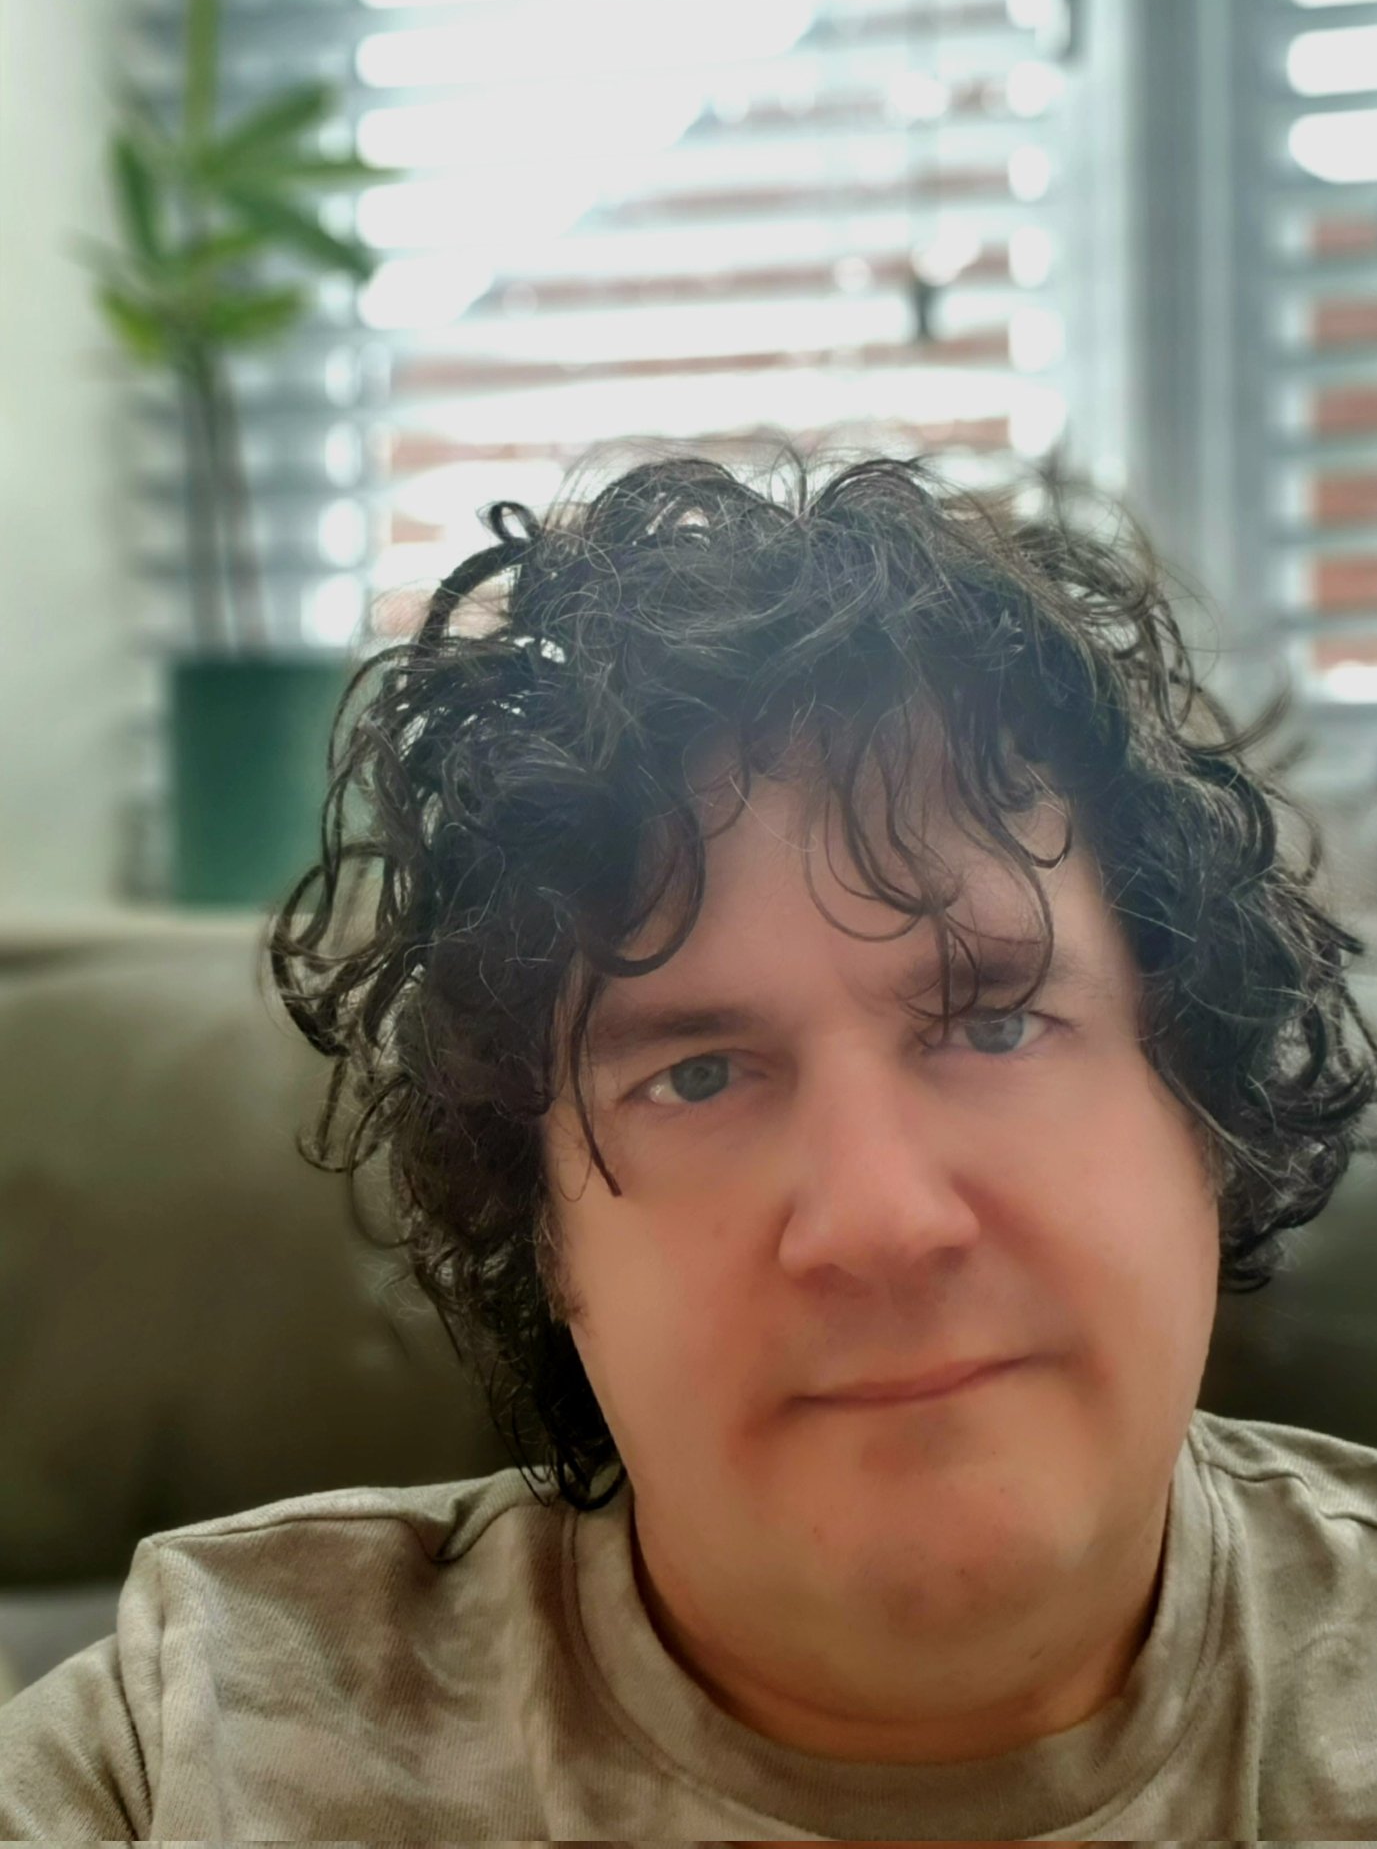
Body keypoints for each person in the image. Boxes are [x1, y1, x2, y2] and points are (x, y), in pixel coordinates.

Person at [3, 444, 1376, 1841]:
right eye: (700, 1075)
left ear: (1202, 1114)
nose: (879, 1220)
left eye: (995, 1023)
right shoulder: (182, 1756)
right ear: (544, 1239)